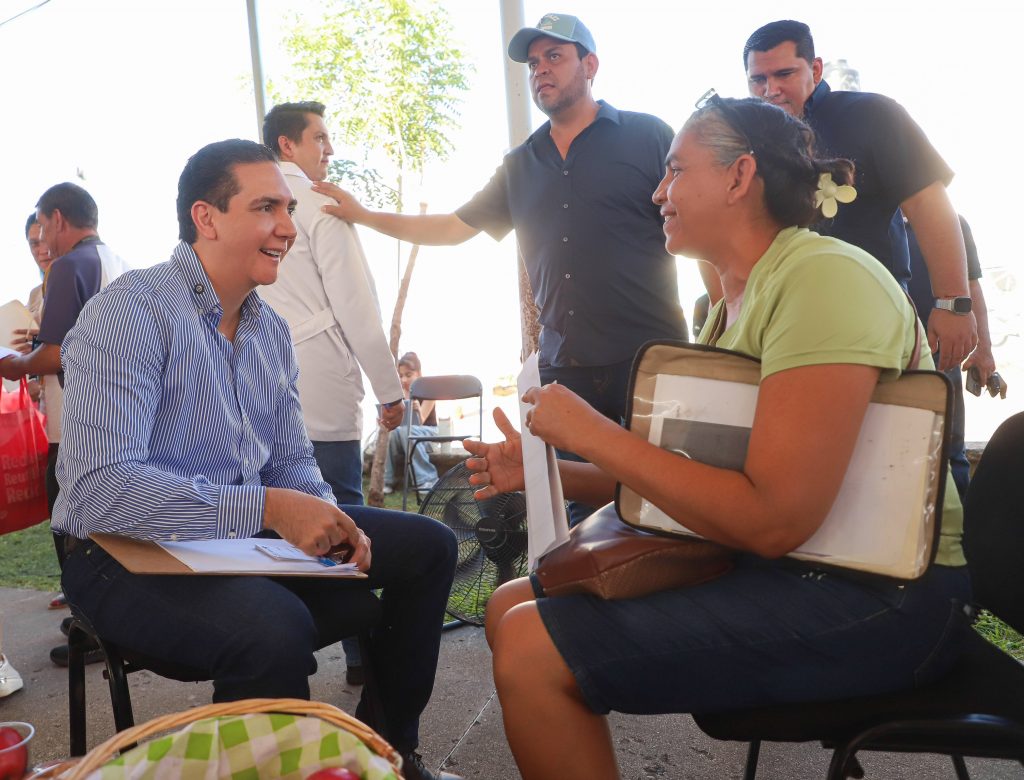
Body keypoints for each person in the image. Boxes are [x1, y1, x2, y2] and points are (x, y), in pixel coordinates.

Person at [466, 98, 971, 780]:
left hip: (883, 596)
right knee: (508, 602)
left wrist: (593, 431)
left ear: (739, 176)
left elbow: (772, 519)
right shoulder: (732, 304)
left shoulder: (824, 279)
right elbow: (691, 478)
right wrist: (548, 470)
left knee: (533, 645)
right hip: (795, 566)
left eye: (675, 170)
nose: (658, 192)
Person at [51, 139, 459, 780]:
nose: (288, 228)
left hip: (233, 541)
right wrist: (268, 508)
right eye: (266, 207)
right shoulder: (131, 312)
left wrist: (323, 514)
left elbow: (291, 459)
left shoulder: (269, 330)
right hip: (116, 552)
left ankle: (386, 754)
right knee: (272, 627)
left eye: (288, 209)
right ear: (206, 218)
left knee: (429, 546)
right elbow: (105, 491)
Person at [313, 13, 686, 524]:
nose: (540, 70)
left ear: (591, 65)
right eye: (533, 63)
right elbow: (453, 227)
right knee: (581, 517)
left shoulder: (649, 137)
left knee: (668, 503)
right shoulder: (520, 164)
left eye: (554, 56)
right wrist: (364, 216)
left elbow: (698, 222)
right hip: (566, 372)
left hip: (652, 359)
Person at [260, 101, 406, 685]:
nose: (330, 149)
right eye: (319, 137)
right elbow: (357, 306)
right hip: (317, 379)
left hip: (257, 387)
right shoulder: (321, 203)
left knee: (270, 520)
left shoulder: (245, 209)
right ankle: (363, 655)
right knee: (344, 512)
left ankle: (280, 645)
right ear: (286, 145)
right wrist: (389, 390)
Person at [740, 20, 977, 373]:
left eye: (784, 74)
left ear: (815, 69)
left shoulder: (872, 114)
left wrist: (953, 304)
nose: (770, 90)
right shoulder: (744, 138)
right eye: (758, 79)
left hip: (876, 316)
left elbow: (929, 204)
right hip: (780, 322)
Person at [0, 185, 129, 666]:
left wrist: (16, 363)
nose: (42, 239)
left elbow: (55, 353)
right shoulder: (116, 261)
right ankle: (107, 619)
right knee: (105, 525)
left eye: (42, 225)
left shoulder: (70, 265)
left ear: (57, 218)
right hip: (114, 418)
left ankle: (93, 628)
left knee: (72, 526)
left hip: (74, 421)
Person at [905, 214, 997, 499]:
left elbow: (972, 286)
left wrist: (983, 350)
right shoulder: (859, 216)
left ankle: (954, 521)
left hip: (944, 355)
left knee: (950, 450)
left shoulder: (950, 222)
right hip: (887, 352)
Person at [383, 352, 439, 495]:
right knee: (393, 432)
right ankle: (387, 480)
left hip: (428, 431)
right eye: (401, 375)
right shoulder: (399, 393)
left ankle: (427, 479)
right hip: (404, 433)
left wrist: (418, 410)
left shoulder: (429, 391)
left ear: (418, 373)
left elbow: (421, 421)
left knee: (406, 431)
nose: (404, 379)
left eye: (408, 375)